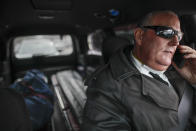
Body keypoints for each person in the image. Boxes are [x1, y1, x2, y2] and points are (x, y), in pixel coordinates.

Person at [81, 10, 196, 131]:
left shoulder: (182, 67)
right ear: (140, 36)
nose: (175, 42)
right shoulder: (107, 85)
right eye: (167, 32)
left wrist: (194, 81)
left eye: (178, 35)